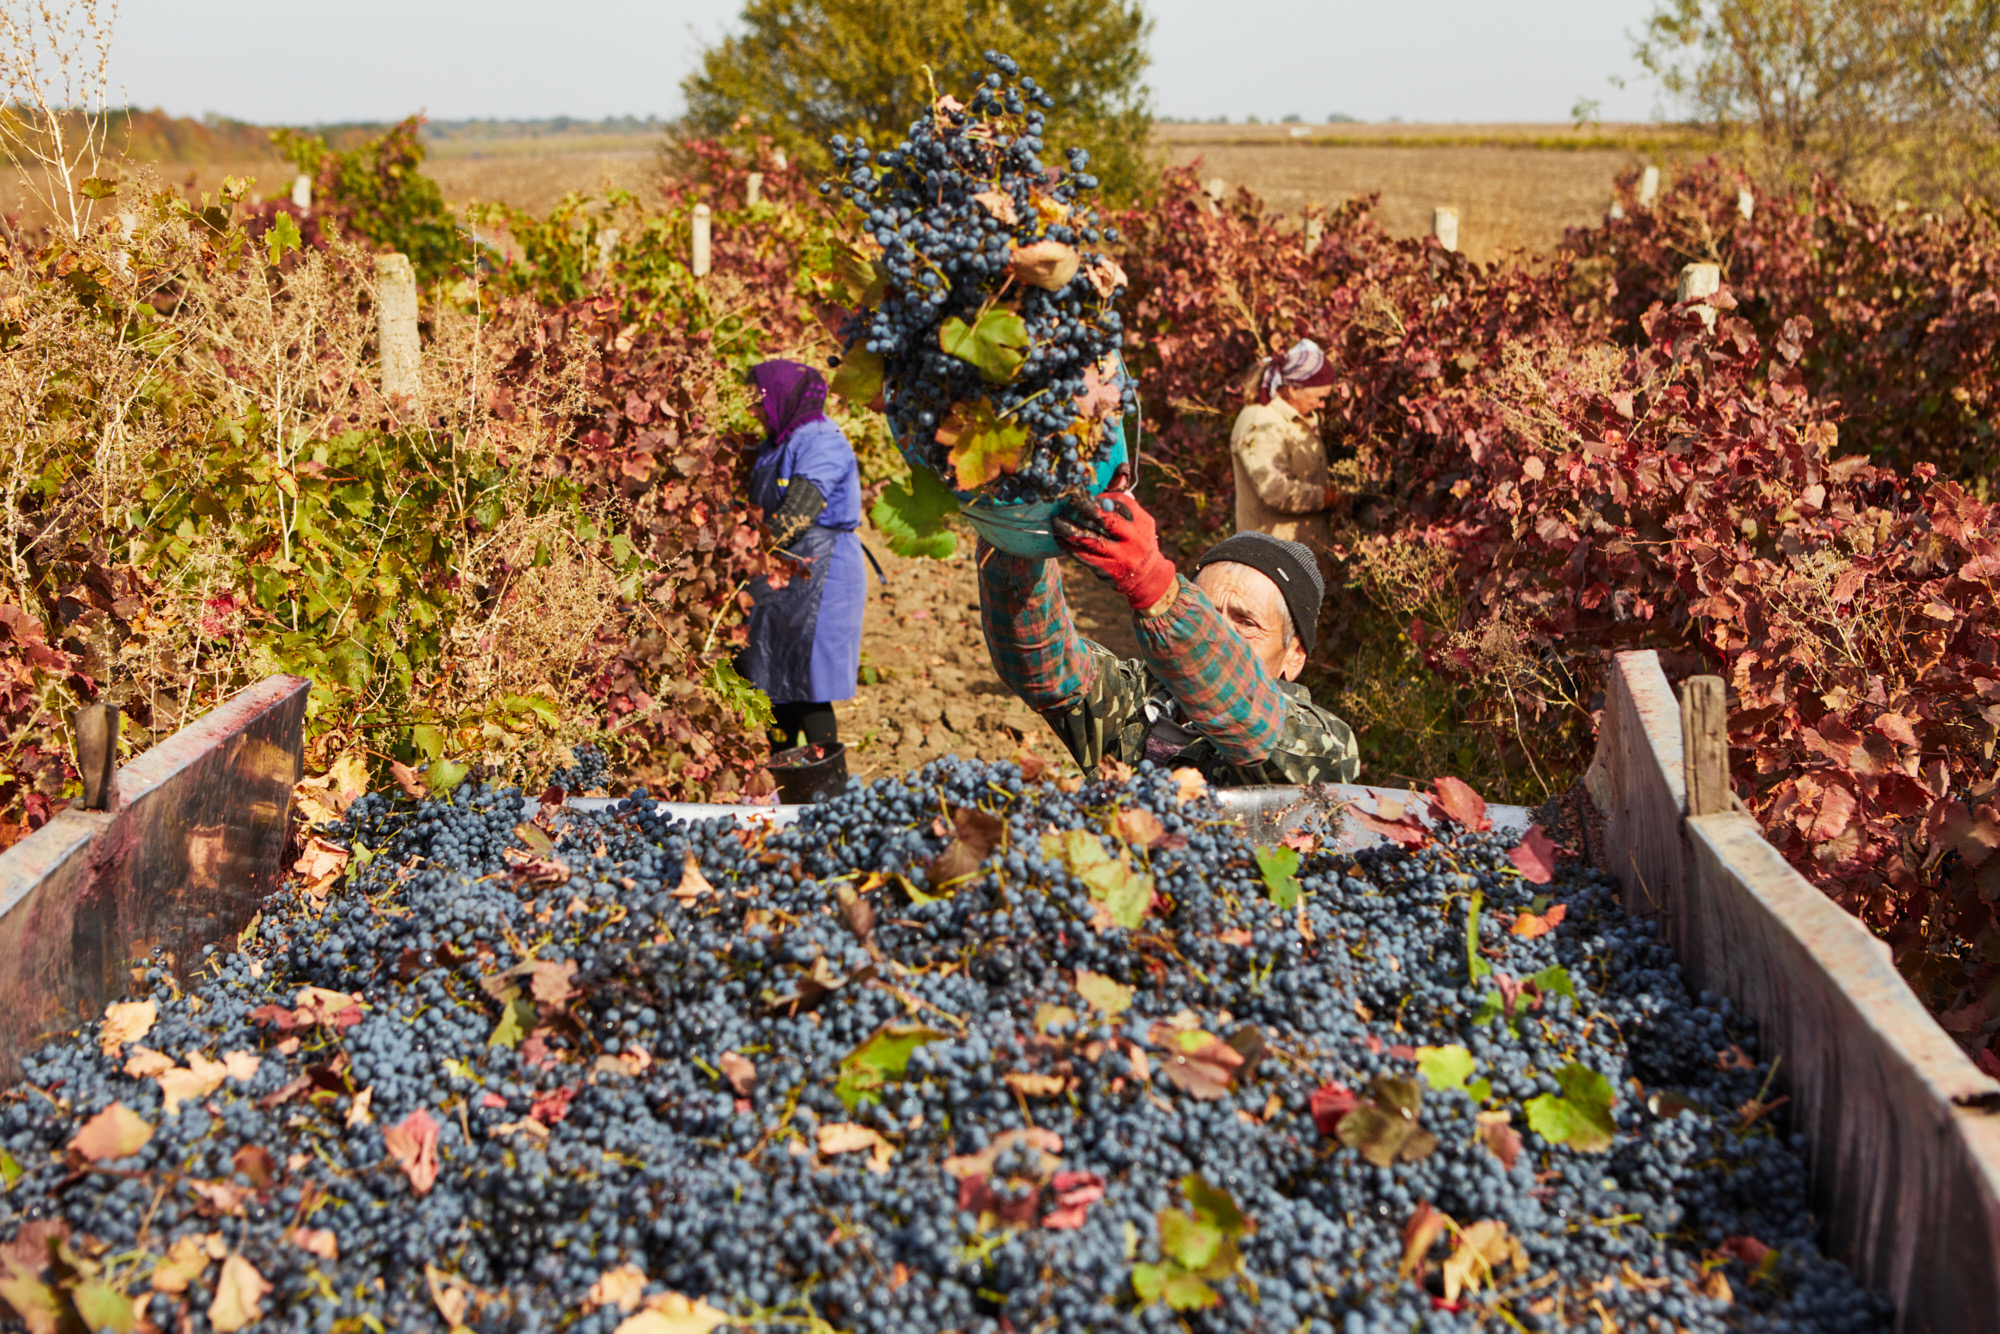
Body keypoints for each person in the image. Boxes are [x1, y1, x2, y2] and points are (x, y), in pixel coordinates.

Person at [977, 485, 1360, 785]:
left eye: (1246, 622)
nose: (1221, 633)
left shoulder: (1323, 746)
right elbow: (1041, 662)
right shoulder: (1137, 700)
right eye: (1207, 612)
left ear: (1295, 655)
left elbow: (1250, 717)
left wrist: (1157, 590)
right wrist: (1016, 529)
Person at [734, 360, 865, 761]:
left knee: (809, 685)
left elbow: (800, 510)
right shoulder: (777, 443)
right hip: (780, 572)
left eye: (758, 400)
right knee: (774, 682)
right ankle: (784, 786)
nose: (753, 411)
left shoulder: (821, 439)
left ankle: (828, 793)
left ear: (780, 397)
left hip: (821, 571)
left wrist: (746, 552)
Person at [1231, 338, 1341, 551]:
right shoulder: (1261, 422)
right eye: (1319, 397)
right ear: (1292, 390)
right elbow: (1275, 491)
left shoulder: (1301, 419)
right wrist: (1329, 497)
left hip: (1304, 554)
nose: (1322, 405)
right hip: (1273, 561)